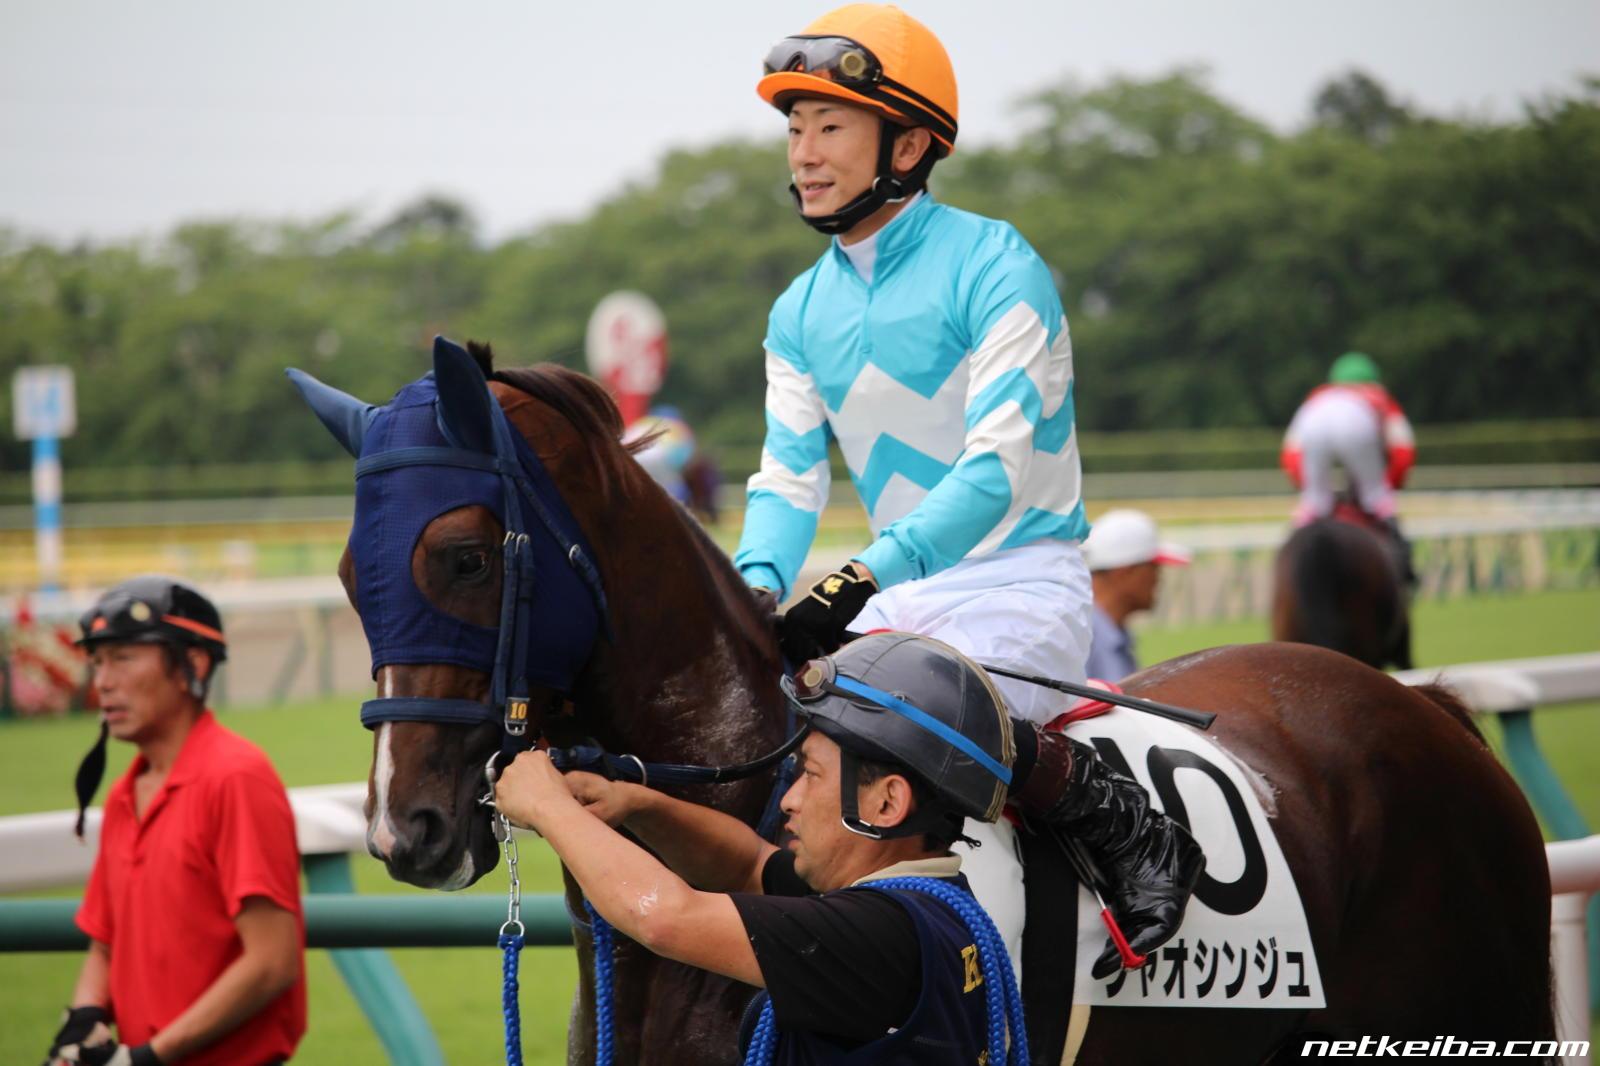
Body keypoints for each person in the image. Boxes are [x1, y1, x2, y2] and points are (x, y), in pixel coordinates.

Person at [732, 2, 1200, 975]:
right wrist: (755, 587)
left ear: (907, 144)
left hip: (1020, 581)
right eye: (795, 129)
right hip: (898, 602)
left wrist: (857, 578)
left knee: (899, 708)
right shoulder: (797, 311)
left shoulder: (996, 265)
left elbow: (991, 474)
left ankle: (1125, 825)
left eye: (830, 127)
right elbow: (787, 476)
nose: (804, 154)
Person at [499, 632, 1184, 1063]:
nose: (789, 801)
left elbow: (664, 916)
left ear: (887, 802)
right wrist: (638, 804)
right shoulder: (925, 904)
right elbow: (747, 864)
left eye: (811, 777)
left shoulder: (876, 935)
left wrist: (547, 806)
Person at [42, 576, 305, 1066]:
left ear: (193, 666)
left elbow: (271, 962)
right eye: (97, 662)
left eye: (123, 658)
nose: (102, 682)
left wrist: (146, 1057)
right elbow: (105, 947)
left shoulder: (236, 777)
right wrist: (79, 1028)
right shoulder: (124, 794)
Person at [1281, 351, 1415, 531]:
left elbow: (1292, 453)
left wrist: (1309, 488)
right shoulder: (1379, 396)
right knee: (1375, 497)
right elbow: (1403, 451)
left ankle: (1295, 538)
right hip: (1358, 421)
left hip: (1313, 421)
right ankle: (1396, 543)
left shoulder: (1318, 397)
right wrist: (1391, 484)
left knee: (1314, 502)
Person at [1082, 510, 1190, 681]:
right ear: (1125, 572)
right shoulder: (1081, 637)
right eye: (1153, 568)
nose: (1158, 578)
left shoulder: (1102, 632)